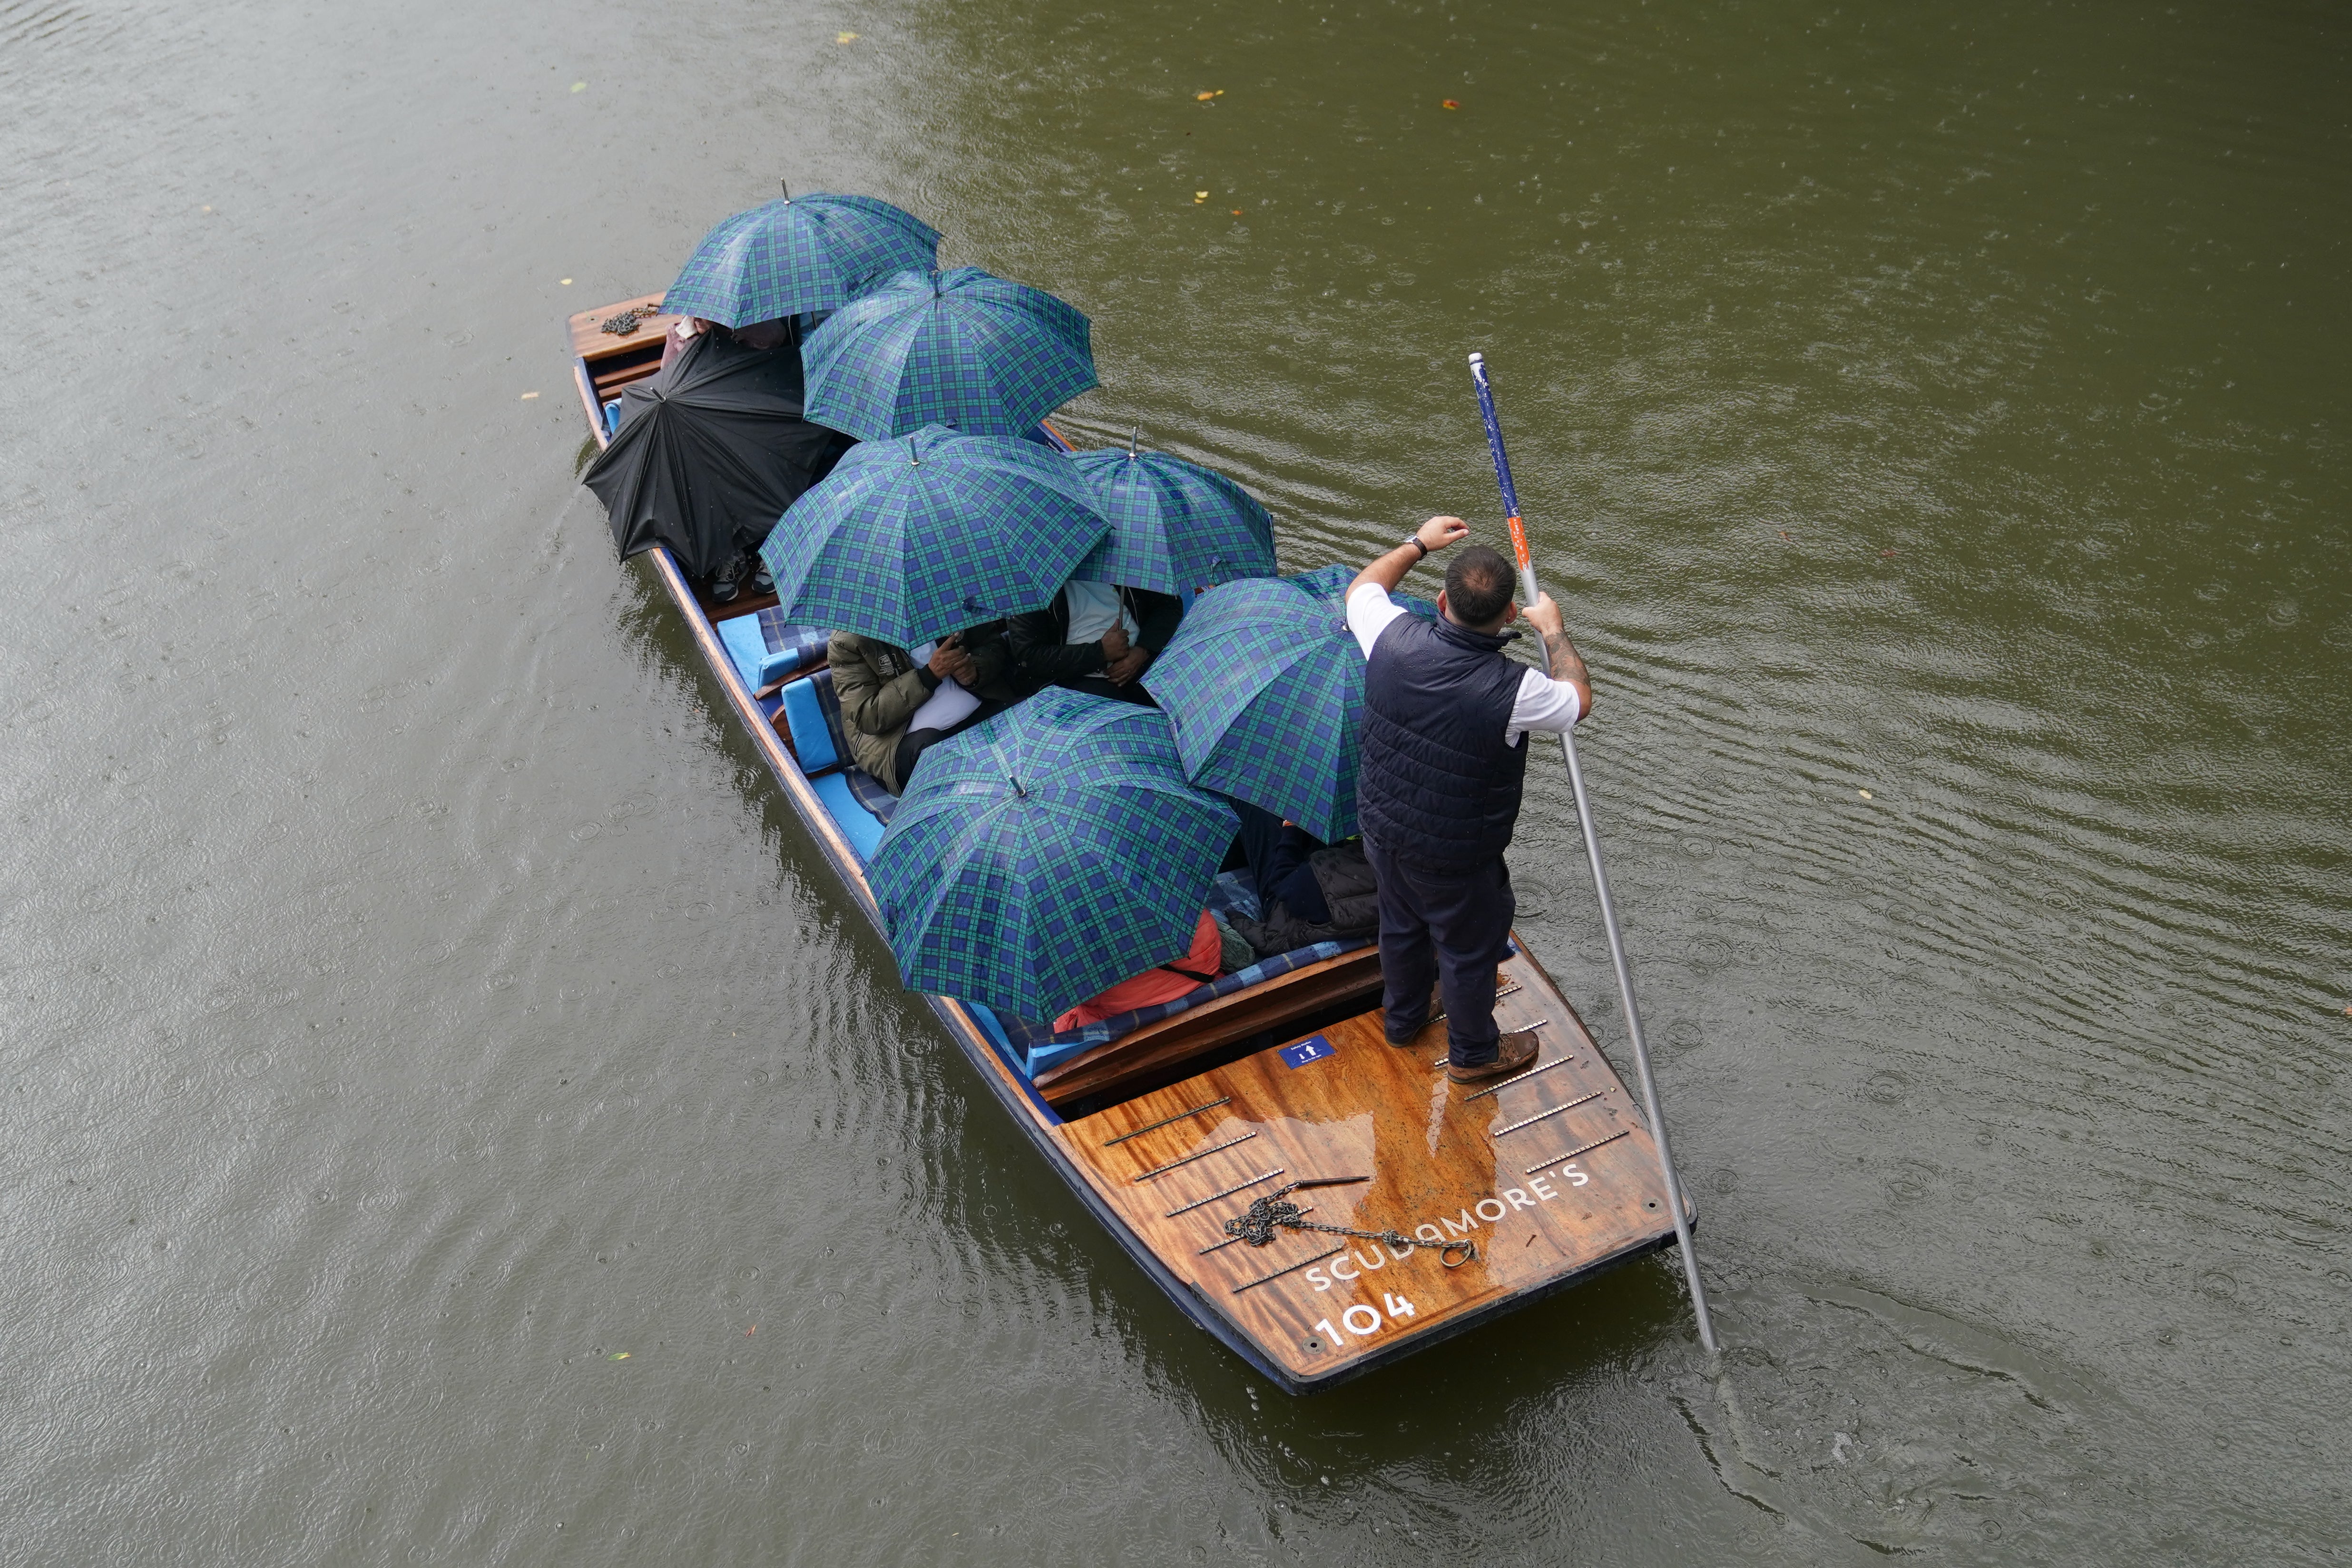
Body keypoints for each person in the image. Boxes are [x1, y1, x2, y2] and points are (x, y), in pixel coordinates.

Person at [1346, 517, 1592, 1084]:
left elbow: (1364, 587)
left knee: (1401, 926)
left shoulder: (1389, 635)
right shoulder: (1517, 689)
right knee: (1467, 949)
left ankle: (1403, 1020)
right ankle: (1475, 1055)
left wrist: (1418, 543)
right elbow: (1577, 700)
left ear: (1439, 600)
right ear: (1510, 614)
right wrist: (1553, 630)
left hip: (1382, 829)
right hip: (1456, 856)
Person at [828, 622, 1023, 794]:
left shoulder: (944, 596)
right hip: (901, 744)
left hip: (977, 713)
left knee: (1029, 714)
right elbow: (867, 715)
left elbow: (993, 645)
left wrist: (975, 669)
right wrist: (929, 676)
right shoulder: (848, 640)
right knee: (938, 756)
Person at [1224, 799, 1379, 960]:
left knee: (1250, 804)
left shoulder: (1319, 883)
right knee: (1317, 806)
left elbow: (1282, 880)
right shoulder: (1393, 856)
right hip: (1334, 886)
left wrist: (1291, 833)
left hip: (1287, 907)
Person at [1006, 580, 1181, 705]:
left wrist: (1144, 649)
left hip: (1144, 658)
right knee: (1119, 721)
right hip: (1077, 679)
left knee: (1183, 691)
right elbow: (1029, 656)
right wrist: (1100, 652)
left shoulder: (1120, 561)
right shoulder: (1027, 588)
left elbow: (1169, 604)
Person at [1053, 910, 1225, 1032]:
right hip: (1206, 1011)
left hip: (1120, 1036)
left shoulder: (1085, 960)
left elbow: (1080, 1000)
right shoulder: (1195, 916)